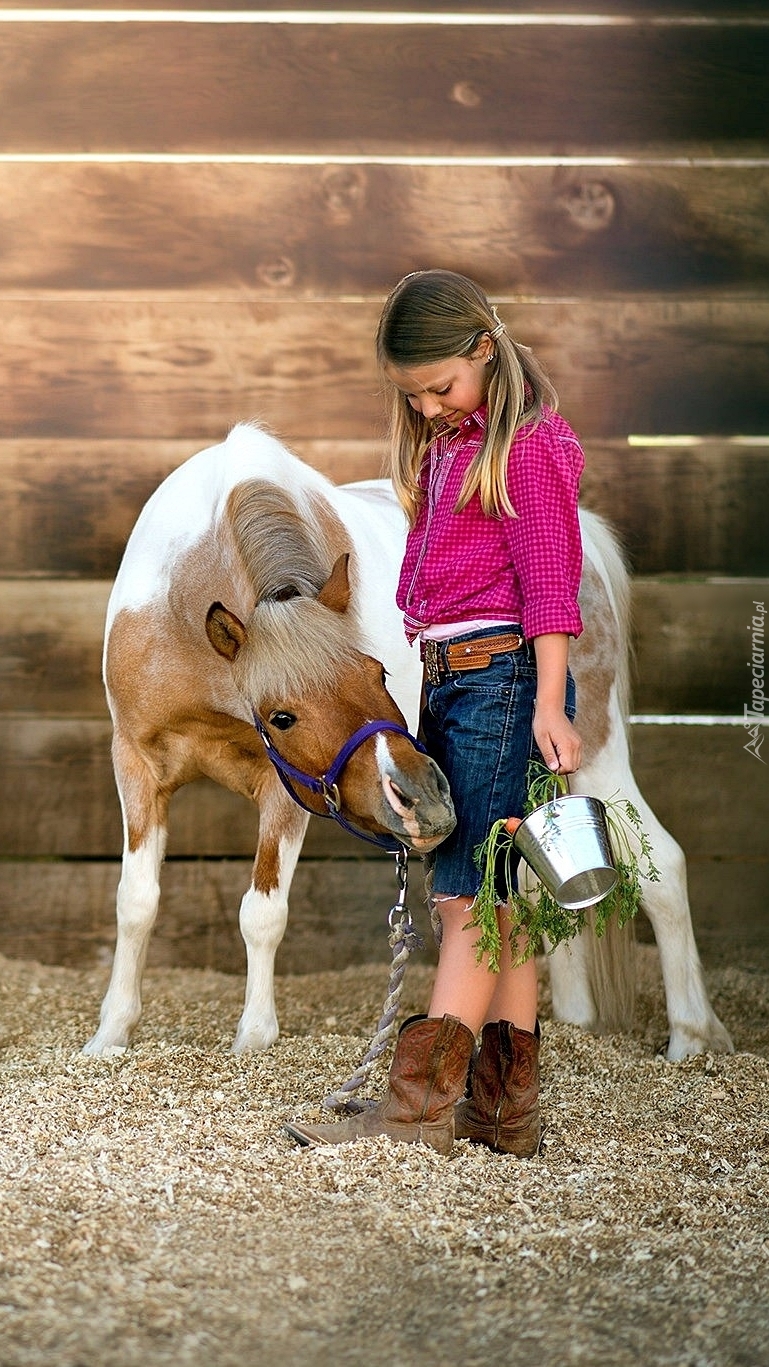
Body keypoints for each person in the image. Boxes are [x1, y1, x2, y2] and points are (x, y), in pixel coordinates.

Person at [286, 269, 584, 1157]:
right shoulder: (453, 441)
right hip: (459, 676)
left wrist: (547, 701)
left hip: (504, 678)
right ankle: (502, 1112)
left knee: (466, 897)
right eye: (410, 395)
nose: (424, 408)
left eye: (439, 387)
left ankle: (415, 1113)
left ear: (483, 350)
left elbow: (549, 582)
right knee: (500, 898)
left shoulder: (526, 446)